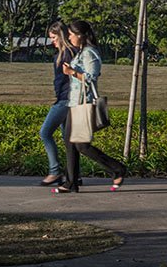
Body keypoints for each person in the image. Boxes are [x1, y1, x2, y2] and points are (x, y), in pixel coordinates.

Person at [52, 19, 127, 194]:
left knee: (81, 145)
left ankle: (117, 169)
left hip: (84, 103)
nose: (68, 37)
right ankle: (70, 182)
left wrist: (72, 72)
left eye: (71, 34)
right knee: (70, 143)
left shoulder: (89, 53)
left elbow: (92, 77)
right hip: (74, 103)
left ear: (80, 35)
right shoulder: (81, 52)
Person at [38, 21, 75, 187]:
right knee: (69, 139)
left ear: (60, 36)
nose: (52, 41)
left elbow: (70, 77)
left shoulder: (67, 54)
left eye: (53, 38)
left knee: (45, 132)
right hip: (66, 98)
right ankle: (73, 175)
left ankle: (55, 172)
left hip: (65, 99)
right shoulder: (65, 53)